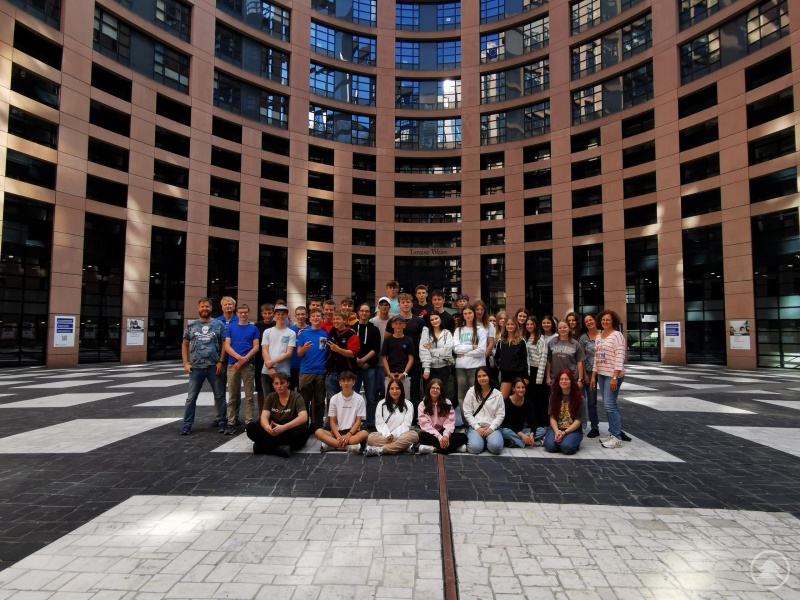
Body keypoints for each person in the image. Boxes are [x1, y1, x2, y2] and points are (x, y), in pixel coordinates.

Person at [180, 298, 227, 435]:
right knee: (191, 397)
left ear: (211, 308)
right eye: (202, 306)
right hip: (196, 367)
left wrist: (221, 361)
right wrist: (185, 363)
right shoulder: (191, 325)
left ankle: (222, 421)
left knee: (220, 395)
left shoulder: (218, 324)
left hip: (214, 366)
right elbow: (184, 344)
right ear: (198, 308)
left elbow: (224, 343)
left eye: (207, 306)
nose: (205, 308)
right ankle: (187, 424)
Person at [246, 371, 309, 457]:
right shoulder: (271, 397)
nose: (279, 386)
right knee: (251, 428)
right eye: (276, 383)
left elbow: (303, 417)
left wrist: (283, 428)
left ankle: (262, 446)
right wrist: (267, 427)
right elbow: (264, 416)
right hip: (274, 429)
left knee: (303, 432)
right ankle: (279, 448)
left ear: (288, 383)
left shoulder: (296, 397)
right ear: (273, 385)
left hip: (289, 428)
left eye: (282, 383)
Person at [592, 309, 628, 449]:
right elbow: (597, 356)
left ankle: (616, 437)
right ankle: (613, 433)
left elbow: (620, 356)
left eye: (608, 319)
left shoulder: (617, 335)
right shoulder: (599, 336)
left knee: (609, 404)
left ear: (613, 321)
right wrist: (594, 374)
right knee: (610, 404)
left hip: (613, 375)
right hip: (601, 374)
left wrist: (615, 376)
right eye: (603, 319)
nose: (605, 322)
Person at [384, 293, 425, 415]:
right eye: (403, 302)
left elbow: (422, 340)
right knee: (395, 389)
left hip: (415, 359)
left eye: (408, 302)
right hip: (397, 361)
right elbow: (387, 340)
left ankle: (414, 417)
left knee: (414, 390)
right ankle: (394, 415)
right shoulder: (393, 321)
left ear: (412, 304)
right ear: (399, 304)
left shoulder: (419, 321)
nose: (406, 304)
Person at [223, 304, 260, 435]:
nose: (243, 314)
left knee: (249, 396)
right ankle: (231, 423)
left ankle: (249, 423)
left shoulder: (253, 328)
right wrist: (238, 358)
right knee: (233, 395)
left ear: (248, 313)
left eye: (245, 312)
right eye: (241, 312)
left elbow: (256, 347)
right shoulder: (231, 328)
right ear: (237, 314)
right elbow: (227, 346)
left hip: (248, 364)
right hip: (233, 364)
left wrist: (244, 359)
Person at [315, 371, 369, 453]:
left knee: (364, 434)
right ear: (340, 383)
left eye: (348, 380)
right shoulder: (334, 399)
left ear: (353, 382)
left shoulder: (359, 399)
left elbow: (358, 421)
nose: (346, 383)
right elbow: (332, 421)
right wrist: (338, 436)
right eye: (343, 381)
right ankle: (348, 447)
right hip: (336, 432)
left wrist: (349, 435)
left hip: (352, 432)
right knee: (318, 432)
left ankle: (333, 445)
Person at [364, 380, 419, 456]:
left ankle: (380, 450)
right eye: (392, 388)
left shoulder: (408, 404)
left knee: (414, 435)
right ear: (388, 390)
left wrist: (394, 435)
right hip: (385, 436)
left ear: (401, 390)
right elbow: (379, 423)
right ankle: (404, 447)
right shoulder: (381, 404)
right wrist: (387, 435)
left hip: (401, 435)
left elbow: (406, 424)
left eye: (397, 388)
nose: (394, 391)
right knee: (371, 438)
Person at [417, 378, 468, 454]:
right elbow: (426, 426)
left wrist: (445, 436)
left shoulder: (447, 402)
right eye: (433, 388)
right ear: (429, 389)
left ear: (441, 391)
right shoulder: (422, 404)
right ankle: (453, 447)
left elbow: (450, 422)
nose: (435, 390)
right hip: (431, 433)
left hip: (444, 432)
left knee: (464, 437)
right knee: (422, 437)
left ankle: (434, 449)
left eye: (437, 388)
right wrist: (440, 438)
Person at [462, 367, 505, 455]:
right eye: (479, 376)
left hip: (492, 427)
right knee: (474, 449)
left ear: (489, 376)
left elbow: (500, 415)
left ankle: (488, 441)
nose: (482, 378)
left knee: (496, 448)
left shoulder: (497, 394)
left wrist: (491, 428)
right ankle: (481, 441)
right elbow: (467, 412)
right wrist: (477, 428)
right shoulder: (471, 392)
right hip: (476, 427)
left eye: (484, 375)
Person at [297, 307, 328, 431]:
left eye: (318, 316)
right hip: (306, 371)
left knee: (320, 401)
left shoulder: (325, 334)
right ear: (310, 319)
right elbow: (299, 353)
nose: (316, 318)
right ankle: (304, 424)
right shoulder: (304, 333)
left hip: (320, 371)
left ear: (321, 318)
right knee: (304, 400)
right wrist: (304, 349)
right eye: (313, 316)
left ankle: (318, 425)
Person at [453, 304, 487, 414]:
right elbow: (456, 349)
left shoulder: (481, 330)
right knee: (461, 396)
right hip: (461, 368)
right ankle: (466, 422)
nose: (468, 315)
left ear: (474, 313)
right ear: (462, 315)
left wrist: (464, 354)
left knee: (476, 395)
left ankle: (476, 421)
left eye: (470, 313)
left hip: (476, 368)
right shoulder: (458, 330)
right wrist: (472, 347)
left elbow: (481, 350)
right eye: (465, 313)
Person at [353, 303, 382, 429]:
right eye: (362, 311)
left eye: (367, 311)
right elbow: (349, 348)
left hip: (370, 367)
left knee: (371, 397)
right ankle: (354, 423)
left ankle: (370, 423)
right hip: (354, 368)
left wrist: (364, 360)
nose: (364, 313)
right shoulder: (352, 328)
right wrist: (356, 361)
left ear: (369, 313)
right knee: (353, 397)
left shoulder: (374, 329)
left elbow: (376, 348)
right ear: (358, 312)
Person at [544, 369, 584, 455]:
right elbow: (552, 417)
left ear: (571, 381)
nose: (563, 381)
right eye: (561, 379)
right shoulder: (553, 396)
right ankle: (561, 441)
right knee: (549, 446)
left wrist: (565, 433)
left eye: (566, 379)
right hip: (557, 427)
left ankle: (569, 442)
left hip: (573, 429)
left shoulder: (580, 398)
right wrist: (557, 431)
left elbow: (578, 421)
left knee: (567, 448)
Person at [324, 310, 360, 404]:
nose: (335, 321)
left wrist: (338, 349)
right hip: (331, 372)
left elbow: (353, 353)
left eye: (338, 319)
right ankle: (333, 419)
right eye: (334, 319)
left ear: (345, 320)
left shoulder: (351, 334)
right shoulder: (332, 331)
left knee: (348, 400)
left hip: (346, 373)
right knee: (332, 401)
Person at [261, 304, 296, 400]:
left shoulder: (291, 333)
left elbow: (289, 353)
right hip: (267, 371)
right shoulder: (267, 332)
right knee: (268, 399)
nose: (281, 316)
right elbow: (264, 350)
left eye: (283, 314)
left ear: (287, 316)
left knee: (283, 399)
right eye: (278, 314)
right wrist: (270, 366)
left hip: (283, 370)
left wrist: (271, 362)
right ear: (274, 316)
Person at [500, 378, 542, 448]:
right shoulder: (506, 402)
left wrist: (531, 435)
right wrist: (522, 436)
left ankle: (516, 442)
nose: (521, 390)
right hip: (511, 430)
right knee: (503, 432)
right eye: (518, 387)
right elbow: (506, 424)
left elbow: (533, 422)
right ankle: (525, 443)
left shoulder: (528, 402)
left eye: (523, 387)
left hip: (523, 430)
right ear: (513, 389)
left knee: (542, 430)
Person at [494, 317, 530, 398]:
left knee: (518, 400)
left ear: (516, 326)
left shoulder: (521, 341)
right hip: (505, 375)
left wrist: (526, 376)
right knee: (502, 399)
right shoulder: (501, 341)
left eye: (512, 324)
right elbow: (496, 357)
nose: (510, 326)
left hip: (518, 374)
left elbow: (525, 360)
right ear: (505, 326)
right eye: (508, 324)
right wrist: (501, 366)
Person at [545, 320, 586, 389]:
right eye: (560, 328)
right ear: (557, 329)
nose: (562, 329)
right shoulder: (552, 342)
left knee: (571, 399)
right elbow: (548, 361)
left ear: (569, 328)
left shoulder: (575, 344)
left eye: (564, 327)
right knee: (555, 399)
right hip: (555, 378)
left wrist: (580, 379)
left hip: (571, 378)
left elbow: (579, 362)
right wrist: (548, 377)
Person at [525, 316, 549, 431]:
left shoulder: (541, 338)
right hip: (529, 371)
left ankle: (541, 423)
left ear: (536, 325)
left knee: (539, 399)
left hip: (538, 371)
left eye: (532, 324)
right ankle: (531, 423)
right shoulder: (527, 337)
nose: (529, 326)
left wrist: (539, 378)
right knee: (530, 399)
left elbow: (543, 358)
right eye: (528, 324)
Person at [381, 315, 414, 398]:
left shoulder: (408, 340)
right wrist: (388, 373)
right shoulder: (388, 340)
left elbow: (411, 358)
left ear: (404, 325)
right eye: (396, 323)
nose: (398, 325)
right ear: (392, 325)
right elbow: (384, 357)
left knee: (405, 399)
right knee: (389, 399)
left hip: (404, 375)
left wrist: (405, 373)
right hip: (390, 374)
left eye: (400, 323)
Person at [420, 312, 454, 391]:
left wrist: (431, 350)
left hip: (444, 367)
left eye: (436, 318)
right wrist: (426, 368)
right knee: (429, 393)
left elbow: (447, 353)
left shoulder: (447, 333)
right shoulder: (427, 333)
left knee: (443, 392)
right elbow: (423, 352)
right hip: (430, 368)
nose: (434, 321)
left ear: (440, 319)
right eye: (432, 320)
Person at [579, 313, 600, 438]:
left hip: (602, 372)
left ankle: (615, 428)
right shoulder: (583, 338)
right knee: (589, 401)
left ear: (595, 320)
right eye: (586, 321)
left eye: (591, 320)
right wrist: (584, 376)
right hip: (587, 372)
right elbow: (581, 358)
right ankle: (593, 427)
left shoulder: (603, 335)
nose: (589, 322)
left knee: (609, 402)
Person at [254, 303, 277, 414]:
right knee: (260, 389)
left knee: (275, 388)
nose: (267, 315)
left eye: (270, 313)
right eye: (265, 313)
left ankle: (275, 414)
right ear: (262, 314)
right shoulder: (257, 326)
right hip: (259, 360)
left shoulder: (277, 325)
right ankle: (261, 414)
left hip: (275, 360)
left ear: (273, 313)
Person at [371, 297, 391, 388]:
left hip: (388, 361)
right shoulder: (372, 322)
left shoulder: (394, 322)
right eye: (381, 305)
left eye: (386, 305)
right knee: (374, 389)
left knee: (386, 389)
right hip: (374, 360)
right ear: (378, 307)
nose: (384, 307)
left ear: (389, 307)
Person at [288, 306, 308, 391]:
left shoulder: (311, 329)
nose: (301, 316)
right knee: (290, 391)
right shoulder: (289, 330)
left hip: (305, 366)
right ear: (295, 316)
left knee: (303, 392)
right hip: (291, 365)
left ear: (307, 315)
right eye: (298, 314)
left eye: (303, 314)